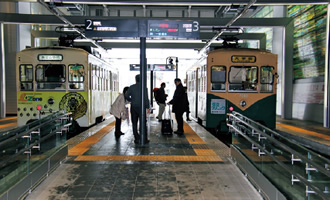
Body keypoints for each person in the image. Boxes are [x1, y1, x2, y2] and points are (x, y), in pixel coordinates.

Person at [125, 74, 150, 144]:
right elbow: (146, 98)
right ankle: (144, 138)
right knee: (143, 123)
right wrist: (147, 107)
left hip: (134, 107)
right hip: (142, 107)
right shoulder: (144, 88)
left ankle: (136, 138)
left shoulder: (132, 87)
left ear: (135, 79)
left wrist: (131, 100)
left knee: (134, 123)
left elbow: (126, 95)